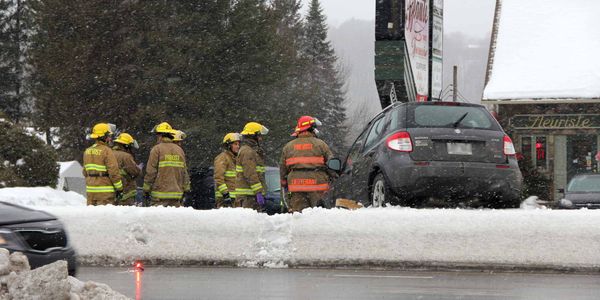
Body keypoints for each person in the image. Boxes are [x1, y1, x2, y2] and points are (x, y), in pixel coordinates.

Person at [280, 116, 333, 212]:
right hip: (318, 187)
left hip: (296, 187)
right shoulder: (321, 145)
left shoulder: (288, 147)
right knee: (318, 216)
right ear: (311, 128)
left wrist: (284, 182)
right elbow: (331, 164)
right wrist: (334, 175)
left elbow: (283, 168)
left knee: (298, 216)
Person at [143, 122, 191, 207]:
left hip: (159, 197)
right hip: (176, 196)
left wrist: (146, 189)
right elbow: (184, 172)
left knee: (159, 219)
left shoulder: (156, 149)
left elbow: (151, 171)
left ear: (160, 136)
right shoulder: (179, 150)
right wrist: (186, 188)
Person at [82, 123, 123, 206]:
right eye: (108, 136)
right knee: (105, 217)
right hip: (105, 193)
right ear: (103, 137)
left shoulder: (87, 151)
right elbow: (114, 172)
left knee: (92, 217)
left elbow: (84, 172)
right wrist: (119, 188)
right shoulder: (107, 151)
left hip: (91, 192)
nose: (109, 138)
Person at [235, 122, 269, 210]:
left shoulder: (251, 150)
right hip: (248, 197)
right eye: (259, 136)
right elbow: (250, 174)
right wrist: (258, 192)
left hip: (250, 195)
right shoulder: (247, 151)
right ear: (253, 136)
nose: (260, 138)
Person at [112, 132, 142, 205]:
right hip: (126, 191)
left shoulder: (109, 153)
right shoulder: (126, 156)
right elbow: (135, 171)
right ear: (126, 145)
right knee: (126, 213)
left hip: (112, 190)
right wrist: (139, 169)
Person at [214, 133, 241, 208]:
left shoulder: (235, 159)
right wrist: (225, 194)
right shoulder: (222, 158)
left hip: (235, 199)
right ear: (229, 145)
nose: (238, 146)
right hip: (225, 199)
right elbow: (218, 178)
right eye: (235, 144)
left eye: (238, 144)